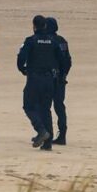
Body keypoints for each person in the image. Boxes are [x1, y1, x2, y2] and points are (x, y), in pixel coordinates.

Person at [17, 15, 66, 150]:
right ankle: (48, 143)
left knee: (29, 106)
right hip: (49, 79)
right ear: (45, 26)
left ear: (34, 26)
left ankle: (41, 130)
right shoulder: (54, 41)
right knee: (46, 109)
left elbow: (21, 58)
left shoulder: (30, 41)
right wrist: (60, 76)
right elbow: (62, 60)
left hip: (34, 78)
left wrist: (23, 70)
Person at [45, 17, 72, 145]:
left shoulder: (49, 41)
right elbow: (68, 61)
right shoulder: (62, 41)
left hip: (50, 78)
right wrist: (64, 74)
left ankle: (47, 133)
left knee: (46, 106)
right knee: (59, 107)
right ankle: (62, 134)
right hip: (61, 78)